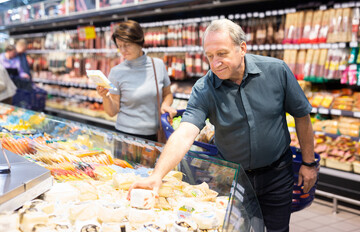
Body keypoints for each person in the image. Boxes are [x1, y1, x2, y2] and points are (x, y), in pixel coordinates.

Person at [128, 19, 317, 232]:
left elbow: (302, 115)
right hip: (234, 177)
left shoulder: (276, 71)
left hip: (277, 173)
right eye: (210, 56)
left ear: (242, 48)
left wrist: (309, 163)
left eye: (222, 53)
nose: (215, 62)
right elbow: (185, 133)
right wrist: (156, 176)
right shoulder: (204, 88)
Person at [96, 20, 177, 142]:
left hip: (154, 135)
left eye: (127, 45)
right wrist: (105, 97)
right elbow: (112, 112)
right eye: (119, 46)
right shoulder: (116, 72)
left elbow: (167, 94)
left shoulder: (158, 66)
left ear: (139, 41)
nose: (123, 50)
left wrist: (165, 105)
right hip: (125, 136)